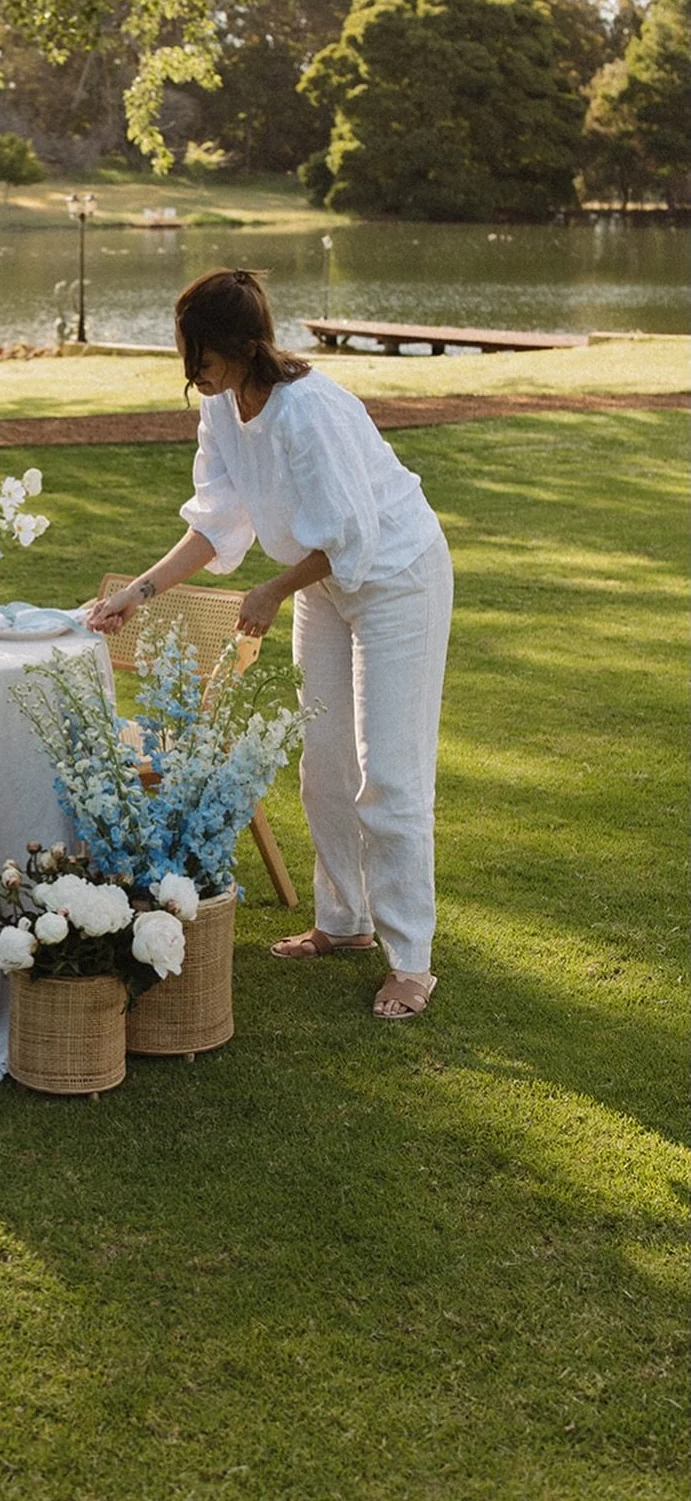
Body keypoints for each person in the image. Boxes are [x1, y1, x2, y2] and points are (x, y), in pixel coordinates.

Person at [87, 268, 453, 1020]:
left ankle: (411, 960)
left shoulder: (308, 410)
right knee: (323, 762)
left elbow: (351, 535)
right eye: (188, 358)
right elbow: (214, 524)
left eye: (204, 359)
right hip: (321, 583)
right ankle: (343, 921)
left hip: (396, 578)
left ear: (246, 346)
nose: (195, 375)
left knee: (389, 771)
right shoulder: (223, 409)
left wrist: (270, 590)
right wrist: (137, 593)